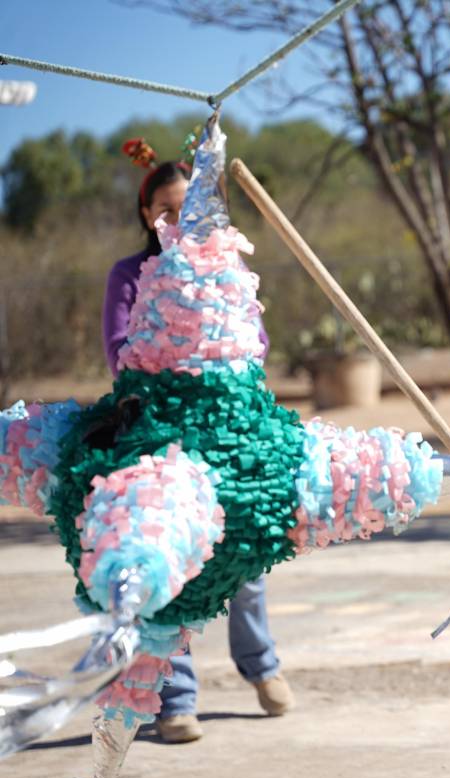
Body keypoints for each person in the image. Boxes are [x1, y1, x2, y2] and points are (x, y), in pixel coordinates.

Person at [104, 138, 293, 744]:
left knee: (244, 551)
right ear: (145, 214)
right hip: (157, 430)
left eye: (184, 208)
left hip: (228, 428)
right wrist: (171, 370)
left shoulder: (228, 268)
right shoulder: (130, 275)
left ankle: (261, 665)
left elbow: (254, 339)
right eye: (162, 209)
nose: (173, 220)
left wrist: (223, 373)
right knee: (168, 556)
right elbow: (118, 349)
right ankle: (176, 698)